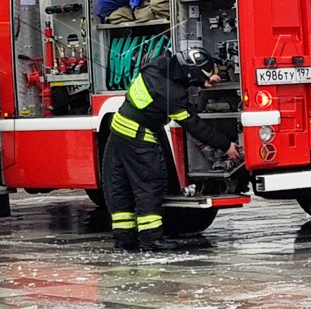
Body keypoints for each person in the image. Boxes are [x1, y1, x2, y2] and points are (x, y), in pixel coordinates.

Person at [100, 45, 240, 251]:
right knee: (149, 186)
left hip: (118, 130)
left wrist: (206, 77)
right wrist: (226, 145)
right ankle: (151, 239)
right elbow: (195, 126)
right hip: (138, 136)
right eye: (206, 76)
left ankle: (124, 239)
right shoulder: (173, 96)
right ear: (191, 72)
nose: (209, 81)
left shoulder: (156, 66)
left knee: (120, 187)